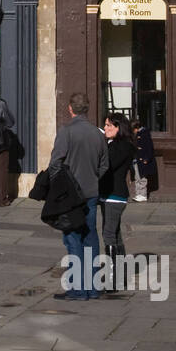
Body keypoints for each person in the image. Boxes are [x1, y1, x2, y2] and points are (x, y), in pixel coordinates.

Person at [49, 92, 109, 300]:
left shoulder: (66, 132)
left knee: (72, 238)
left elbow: (55, 163)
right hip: (91, 193)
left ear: (70, 108)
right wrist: (92, 178)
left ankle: (77, 289)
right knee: (90, 238)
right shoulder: (98, 134)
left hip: (70, 196)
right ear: (88, 108)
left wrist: (62, 184)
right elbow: (104, 165)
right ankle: (92, 288)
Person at [99, 113, 135, 292]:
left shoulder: (123, 146)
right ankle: (121, 275)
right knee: (115, 234)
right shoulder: (113, 144)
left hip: (115, 195)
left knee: (108, 235)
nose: (106, 128)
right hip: (108, 195)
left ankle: (114, 279)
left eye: (109, 126)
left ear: (119, 127)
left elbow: (108, 164)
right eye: (105, 125)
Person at [130, 119, 157, 202]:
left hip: (142, 160)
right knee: (137, 177)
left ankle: (143, 194)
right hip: (136, 159)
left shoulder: (145, 134)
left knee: (142, 178)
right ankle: (138, 194)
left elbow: (149, 148)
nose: (133, 131)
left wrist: (146, 159)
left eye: (133, 129)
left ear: (137, 127)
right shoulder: (137, 134)